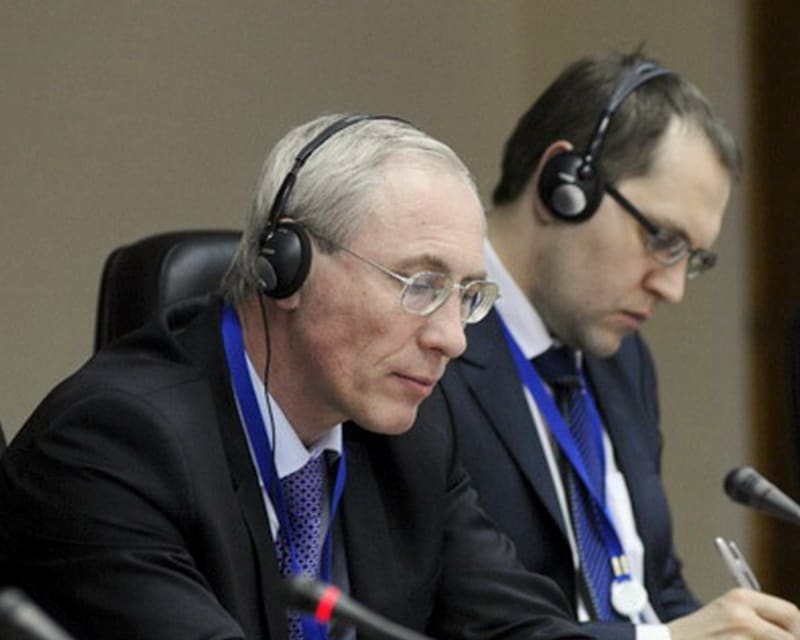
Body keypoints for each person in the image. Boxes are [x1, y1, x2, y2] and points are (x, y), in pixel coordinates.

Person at [0, 114, 590, 640]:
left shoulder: (415, 437)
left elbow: (524, 627)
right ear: (289, 265)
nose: (453, 339)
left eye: (467, 295)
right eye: (421, 285)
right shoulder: (115, 444)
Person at [416, 51, 800, 640]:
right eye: (663, 239)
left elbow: (651, 589)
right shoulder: (429, 346)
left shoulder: (622, 360)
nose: (672, 289)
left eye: (692, 258)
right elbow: (474, 624)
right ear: (564, 186)